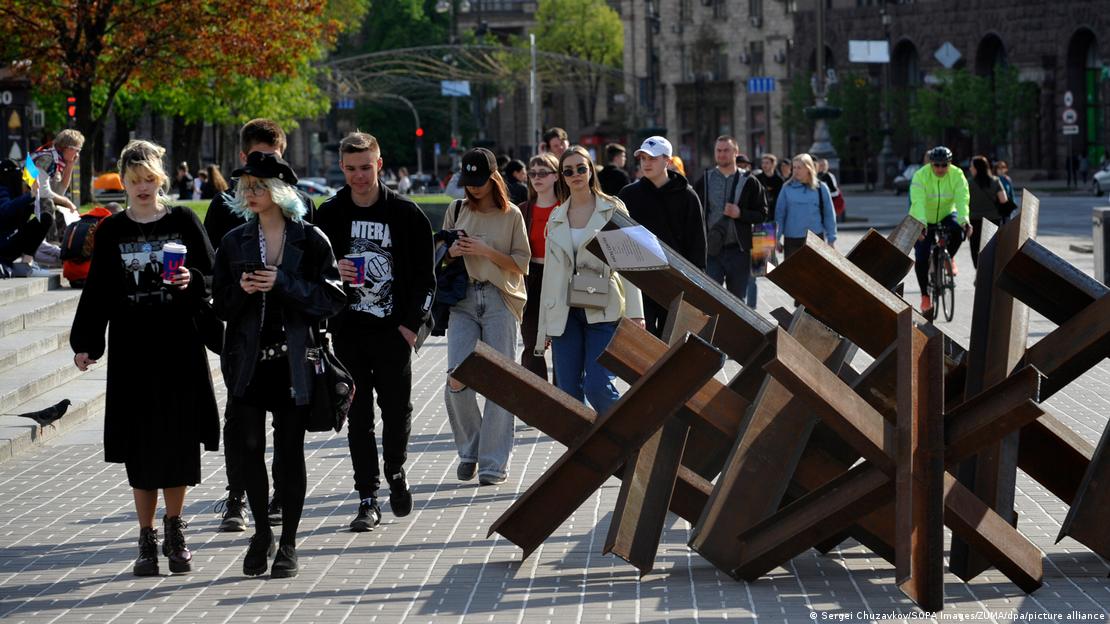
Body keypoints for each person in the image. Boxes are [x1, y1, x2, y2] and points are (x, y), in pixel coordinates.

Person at [70, 139, 219, 576]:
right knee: (140, 446)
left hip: (180, 347)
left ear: (161, 180)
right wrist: (87, 343)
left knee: (177, 442)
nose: (142, 188)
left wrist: (193, 281)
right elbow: (97, 291)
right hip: (134, 351)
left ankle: (175, 531)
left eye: (149, 180)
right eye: (134, 181)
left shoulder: (184, 221)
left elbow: (212, 276)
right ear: (124, 182)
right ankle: (146, 537)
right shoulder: (113, 230)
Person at [213, 151, 346, 578]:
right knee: (248, 447)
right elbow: (223, 307)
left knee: (290, 452)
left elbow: (332, 299)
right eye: (245, 187)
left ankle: (288, 541)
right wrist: (245, 289)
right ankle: (261, 534)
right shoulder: (234, 241)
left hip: (295, 363)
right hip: (249, 363)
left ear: (280, 192)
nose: (250, 194)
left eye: (259, 186)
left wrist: (282, 282)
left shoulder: (310, 239)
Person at [316, 132, 435, 530]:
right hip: (349, 331)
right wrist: (335, 272)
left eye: (365, 167)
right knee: (358, 415)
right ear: (342, 168)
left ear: (379, 165)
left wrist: (410, 326)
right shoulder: (329, 213)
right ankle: (367, 497)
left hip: (392, 331)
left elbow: (425, 277)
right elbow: (314, 273)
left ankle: (396, 471)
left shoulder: (405, 213)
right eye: (350, 169)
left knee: (397, 410)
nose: (359, 176)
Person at [443, 147, 529, 486]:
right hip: (462, 298)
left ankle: (493, 462)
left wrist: (486, 251)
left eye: (479, 181)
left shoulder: (511, 216)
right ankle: (471, 449)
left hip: (499, 298)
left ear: (493, 179)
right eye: (468, 182)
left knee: (499, 381)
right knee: (456, 376)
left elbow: (521, 263)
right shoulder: (456, 209)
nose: (473, 188)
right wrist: (451, 251)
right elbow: (441, 258)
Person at [537, 146, 644, 416]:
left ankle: (624, 439)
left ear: (591, 170)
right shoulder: (557, 215)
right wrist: (544, 327)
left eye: (581, 168)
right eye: (568, 170)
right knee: (568, 394)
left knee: (597, 386)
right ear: (562, 176)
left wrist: (636, 313)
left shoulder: (612, 208)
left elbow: (630, 263)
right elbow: (550, 274)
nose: (576, 175)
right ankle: (588, 452)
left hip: (603, 306)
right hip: (565, 311)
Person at [618, 136, 706, 336]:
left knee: (672, 344)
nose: (646, 163)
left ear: (667, 160)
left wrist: (696, 286)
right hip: (639, 282)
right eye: (643, 158)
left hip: (675, 283)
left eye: (653, 158)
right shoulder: (628, 195)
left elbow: (697, 244)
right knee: (642, 345)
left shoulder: (688, 197)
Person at [204, 119, 317, 255]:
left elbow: (318, 264)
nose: (266, 167)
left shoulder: (303, 204)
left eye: (273, 158)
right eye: (258, 158)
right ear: (244, 158)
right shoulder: (223, 205)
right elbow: (208, 264)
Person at [693, 135, 766, 302]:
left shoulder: (750, 182)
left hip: (739, 252)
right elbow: (695, 214)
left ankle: (734, 329)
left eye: (726, 150)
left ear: (736, 152)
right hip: (711, 252)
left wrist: (740, 213)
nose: (722, 154)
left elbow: (762, 214)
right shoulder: (704, 179)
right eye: (718, 150)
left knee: (737, 301)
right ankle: (716, 329)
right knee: (711, 299)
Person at [908, 146, 971, 314]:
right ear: (931, 163)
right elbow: (918, 202)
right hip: (922, 217)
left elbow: (962, 198)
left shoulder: (957, 175)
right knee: (921, 256)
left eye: (945, 165)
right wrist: (921, 224)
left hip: (946, 213)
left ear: (950, 164)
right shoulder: (921, 176)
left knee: (958, 230)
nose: (941, 169)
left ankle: (946, 256)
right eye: (937, 165)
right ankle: (924, 296)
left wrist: (965, 220)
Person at [519, 152, 561, 381]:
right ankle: (538, 401)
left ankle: (564, 398)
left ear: (556, 176)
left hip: (561, 276)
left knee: (562, 344)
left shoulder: (566, 208)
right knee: (532, 343)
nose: (537, 177)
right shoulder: (523, 209)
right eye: (532, 173)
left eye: (543, 173)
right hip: (532, 277)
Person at [775, 154, 837, 259]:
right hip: (792, 240)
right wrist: (776, 238)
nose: (795, 170)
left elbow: (829, 214)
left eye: (799, 167)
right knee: (793, 274)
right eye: (794, 167)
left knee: (815, 274)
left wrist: (831, 240)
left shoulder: (821, 188)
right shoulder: (786, 188)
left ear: (808, 168)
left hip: (815, 239)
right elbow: (780, 215)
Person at [0, 161, 55, 277]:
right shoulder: (2, 189)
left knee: (45, 218)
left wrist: (32, 202)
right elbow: (5, 210)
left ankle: (27, 263)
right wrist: (29, 196)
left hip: (9, 240)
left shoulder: (13, 191)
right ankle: (25, 265)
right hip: (3, 244)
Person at [967, 155, 1008, 269]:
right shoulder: (995, 181)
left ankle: (979, 271)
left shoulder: (969, 183)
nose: (970, 169)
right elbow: (1003, 199)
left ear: (976, 168)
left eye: (971, 166)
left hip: (974, 220)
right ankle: (990, 272)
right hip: (993, 219)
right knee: (991, 248)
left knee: (975, 249)